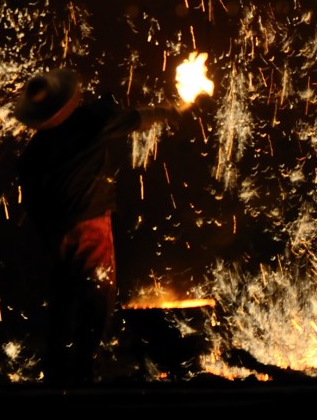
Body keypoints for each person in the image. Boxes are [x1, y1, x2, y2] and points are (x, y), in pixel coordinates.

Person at [12, 67, 195, 384]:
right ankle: (84, 370)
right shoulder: (87, 122)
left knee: (64, 297)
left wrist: (49, 236)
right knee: (97, 297)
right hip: (90, 225)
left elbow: (31, 201)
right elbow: (135, 118)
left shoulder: (34, 151)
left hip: (56, 233)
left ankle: (57, 369)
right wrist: (173, 110)